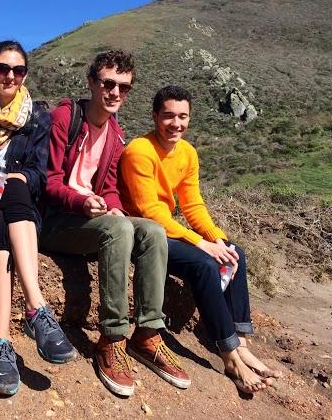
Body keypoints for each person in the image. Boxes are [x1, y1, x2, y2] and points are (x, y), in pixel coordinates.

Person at [40, 51, 190, 397]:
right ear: (92, 82)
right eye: (108, 83)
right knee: (119, 229)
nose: (115, 93)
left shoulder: (114, 134)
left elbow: (107, 186)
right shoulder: (65, 118)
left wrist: (112, 206)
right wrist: (82, 202)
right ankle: (112, 337)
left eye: (124, 87)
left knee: (151, 230)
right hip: (55, 221)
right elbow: (48, 181)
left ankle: (148, 332)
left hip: (89, 219)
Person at [118, 85, 283, 394]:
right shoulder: (139, 151)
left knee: (235, 253)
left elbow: (193, 205)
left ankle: (241, 343)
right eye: (168, 116)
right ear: (155, 116)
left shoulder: (187, 152)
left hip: (165, 228)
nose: (176, 124)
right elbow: (149, 210)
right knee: (204, 265)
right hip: (142, 233)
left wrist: (217, 239)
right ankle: (229, 357)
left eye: (183, 116)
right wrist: (199, 243)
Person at [0, 41, 76, 396]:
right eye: (2, 68)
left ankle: (1, 341)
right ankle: (36, 310)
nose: (10, 75)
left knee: (13, 192)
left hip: (17, 204)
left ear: (25, 74)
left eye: (18, 70)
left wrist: (18, 178)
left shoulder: (38, 116)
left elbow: (41, 171)